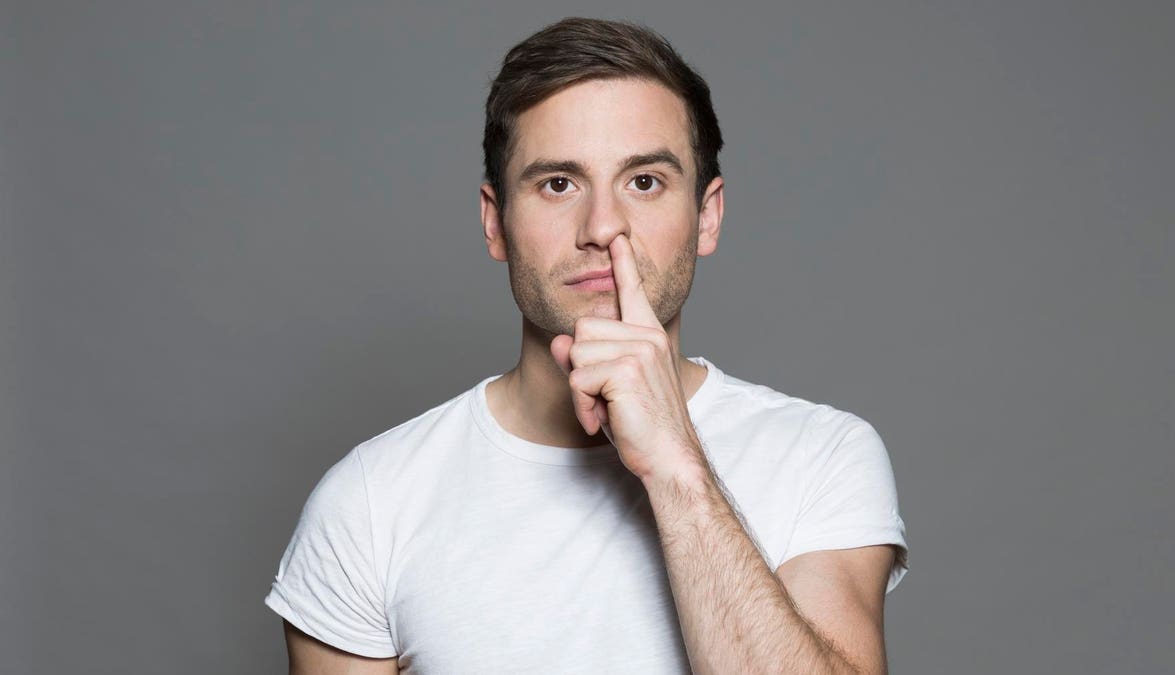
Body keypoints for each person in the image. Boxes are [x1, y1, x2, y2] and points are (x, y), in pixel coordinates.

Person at [265, 16, 908, 674]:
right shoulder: (370, 503)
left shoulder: (821, 456)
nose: (602, 227)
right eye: (558, 184)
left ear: (706, 215)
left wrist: (675, 465)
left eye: (645, 181)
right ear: (496, 223)